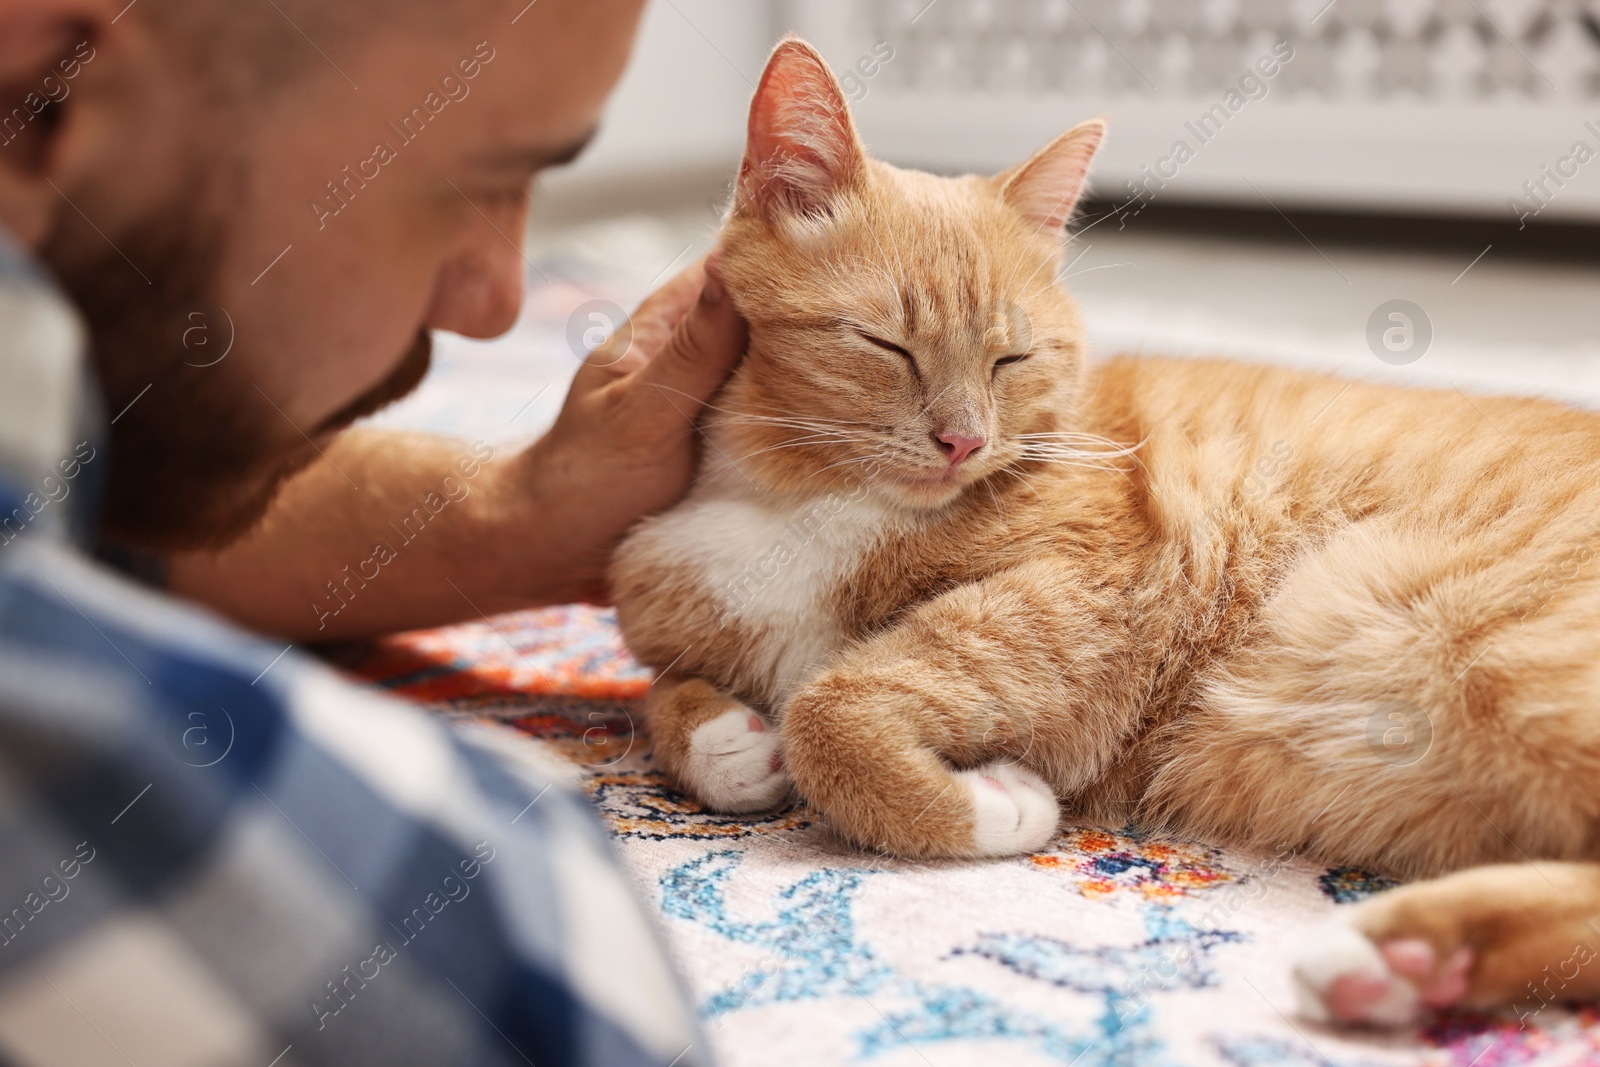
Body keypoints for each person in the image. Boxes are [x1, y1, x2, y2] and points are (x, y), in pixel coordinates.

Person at [0, 1, 746, 1064]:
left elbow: (110, 502)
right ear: (46, 94)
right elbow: (527, 982)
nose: (494, 304)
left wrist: (525, 512)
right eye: (478, 180)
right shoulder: (496, 937)